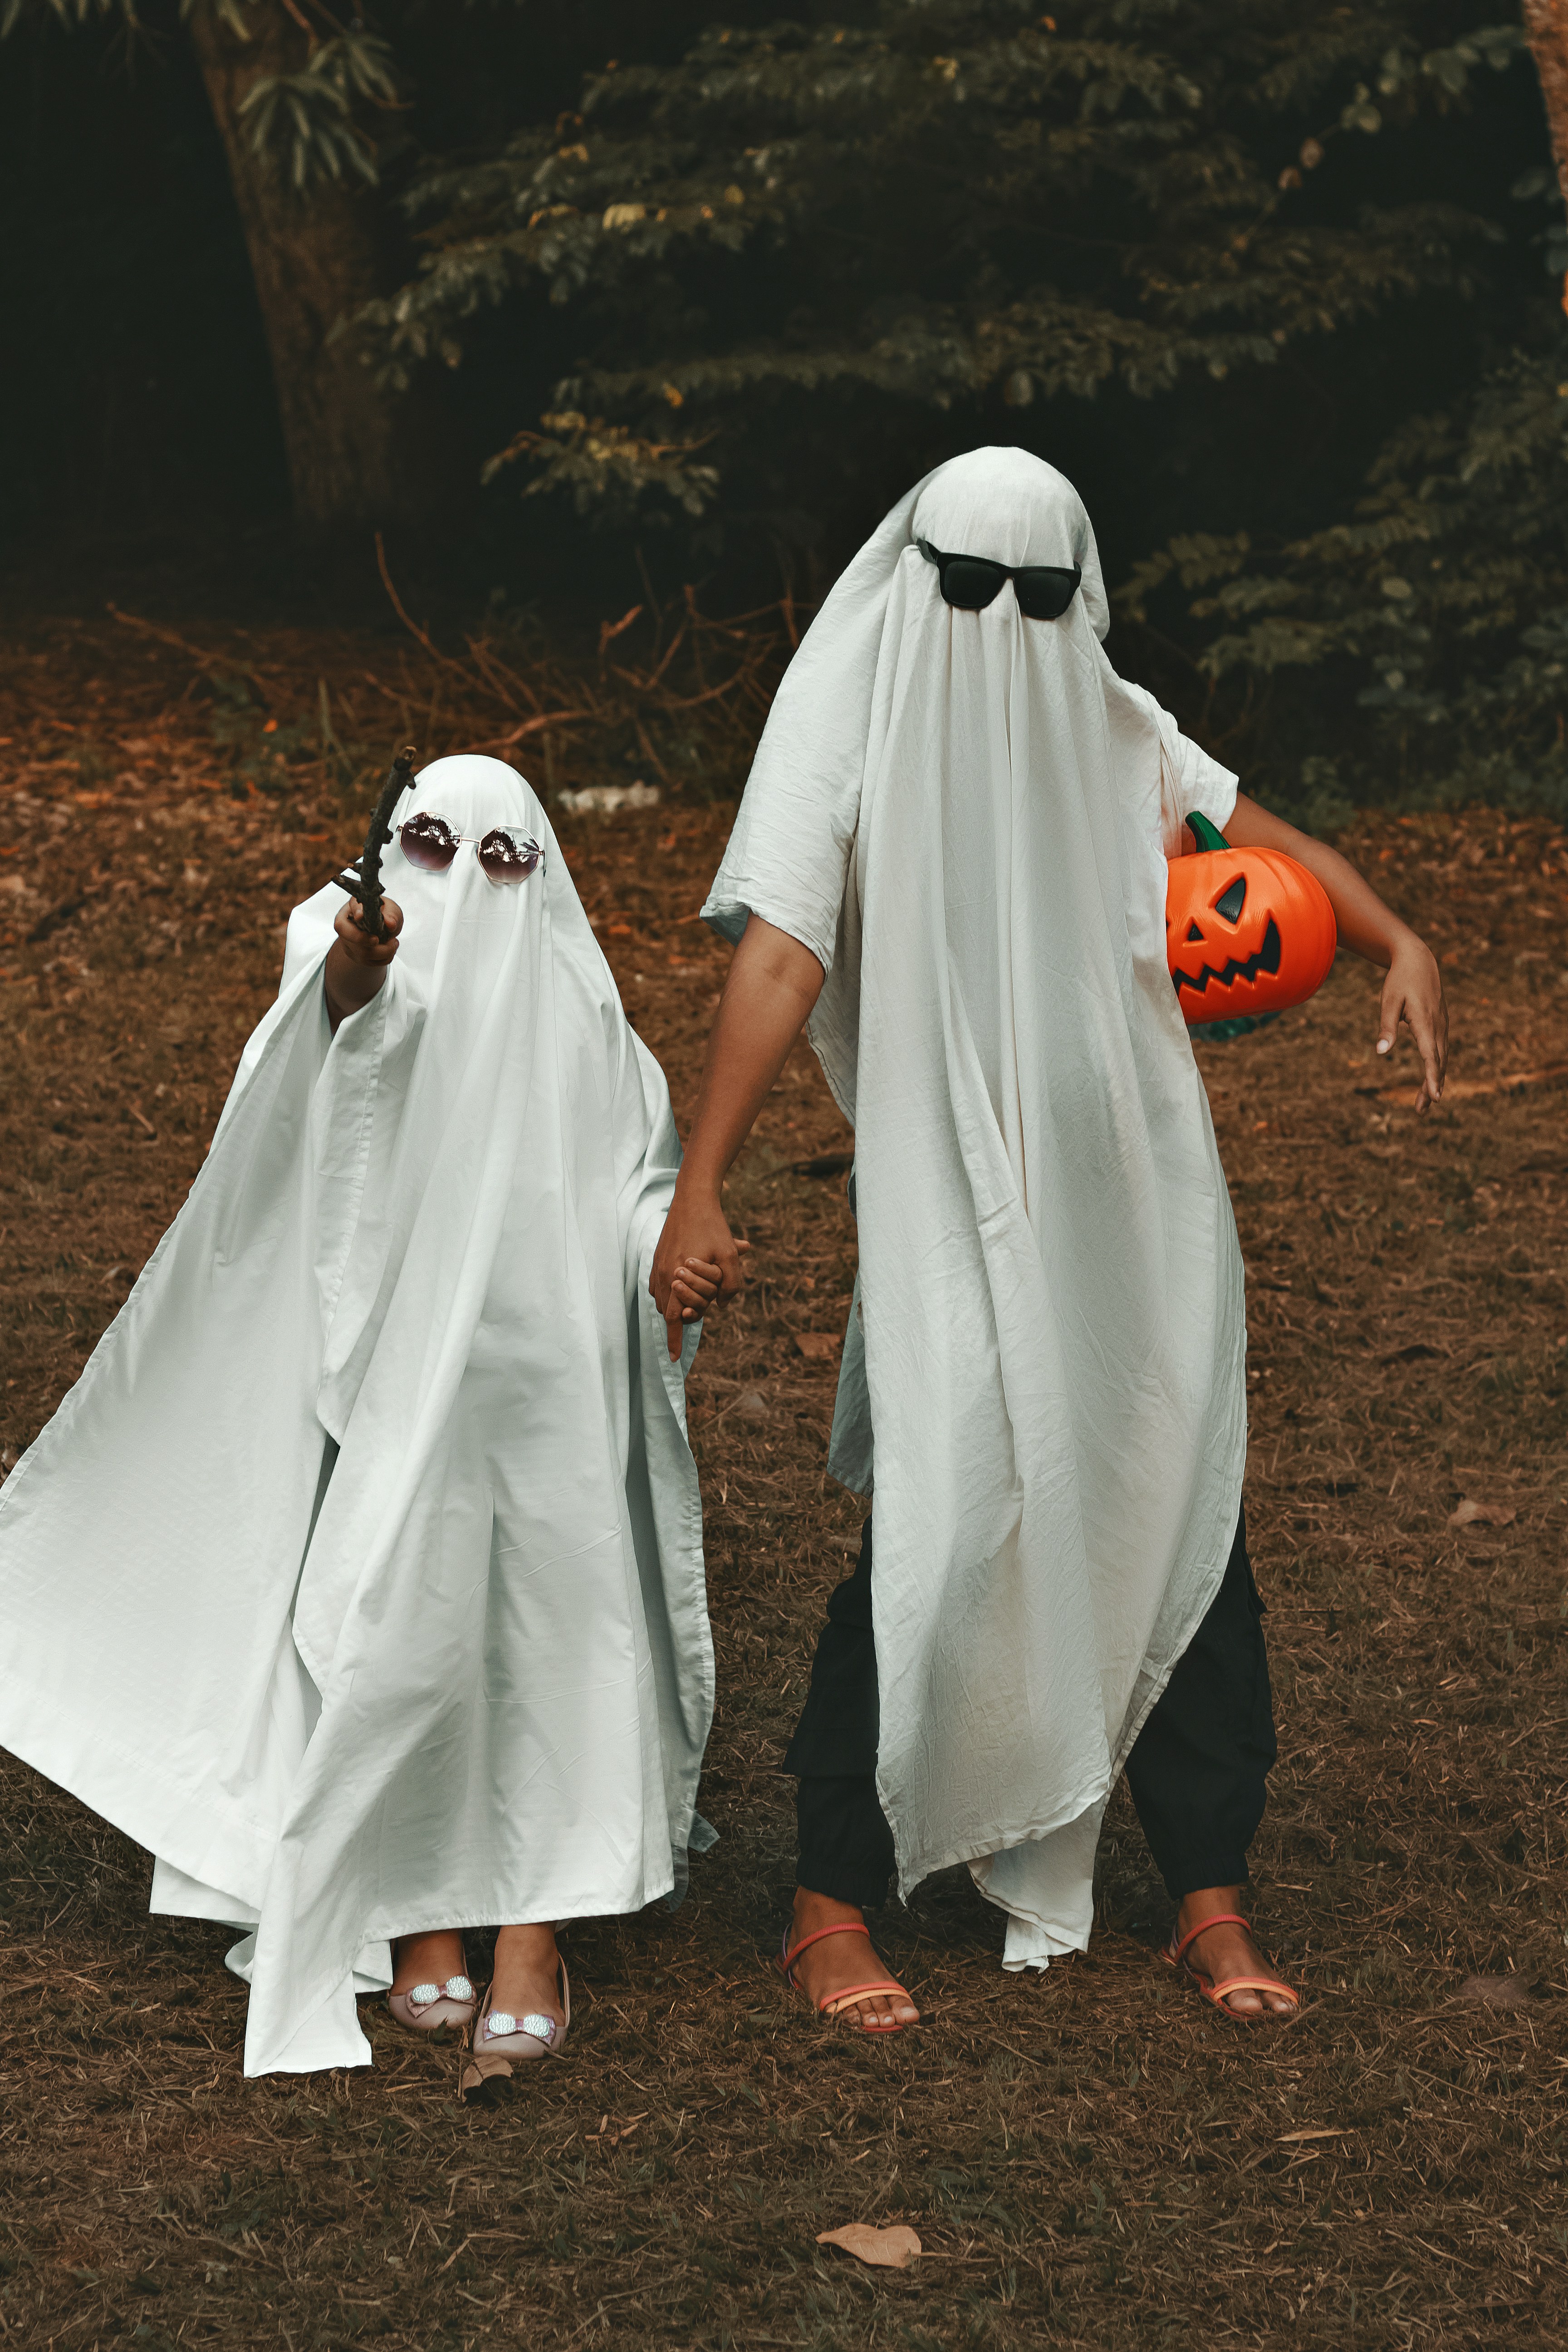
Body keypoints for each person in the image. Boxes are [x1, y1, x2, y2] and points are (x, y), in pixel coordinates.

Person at [651, 448, 1446, 2030]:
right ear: (914, 581)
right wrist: (702, 1176)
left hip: (1136, 1195)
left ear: (1077, 596)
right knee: (944, 1518)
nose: (1002, 628)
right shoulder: (853, 743)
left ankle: (1208, 1895)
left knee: (1179, 1506)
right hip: (952, 1194)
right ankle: (831, 1901)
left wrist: (1400, 935)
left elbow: (1267, 852)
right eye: (969, 591)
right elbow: (783, 965)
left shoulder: (1117, 728)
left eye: (1036, 599)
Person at [0, 754, 717, 2087]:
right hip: (388, 1385)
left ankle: (532, 1931)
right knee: (396, 1632)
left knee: (554, 1636)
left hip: (544, 1387)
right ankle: (416, 1901)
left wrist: (658, 1249)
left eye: (500, 861)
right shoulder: (351, 958)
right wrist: (355, 979)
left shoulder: (581, 1021)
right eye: (430, 847)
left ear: (542, 875)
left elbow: (632, 1179)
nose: (462, 885)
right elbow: (301, 1096)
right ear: (390, 851)